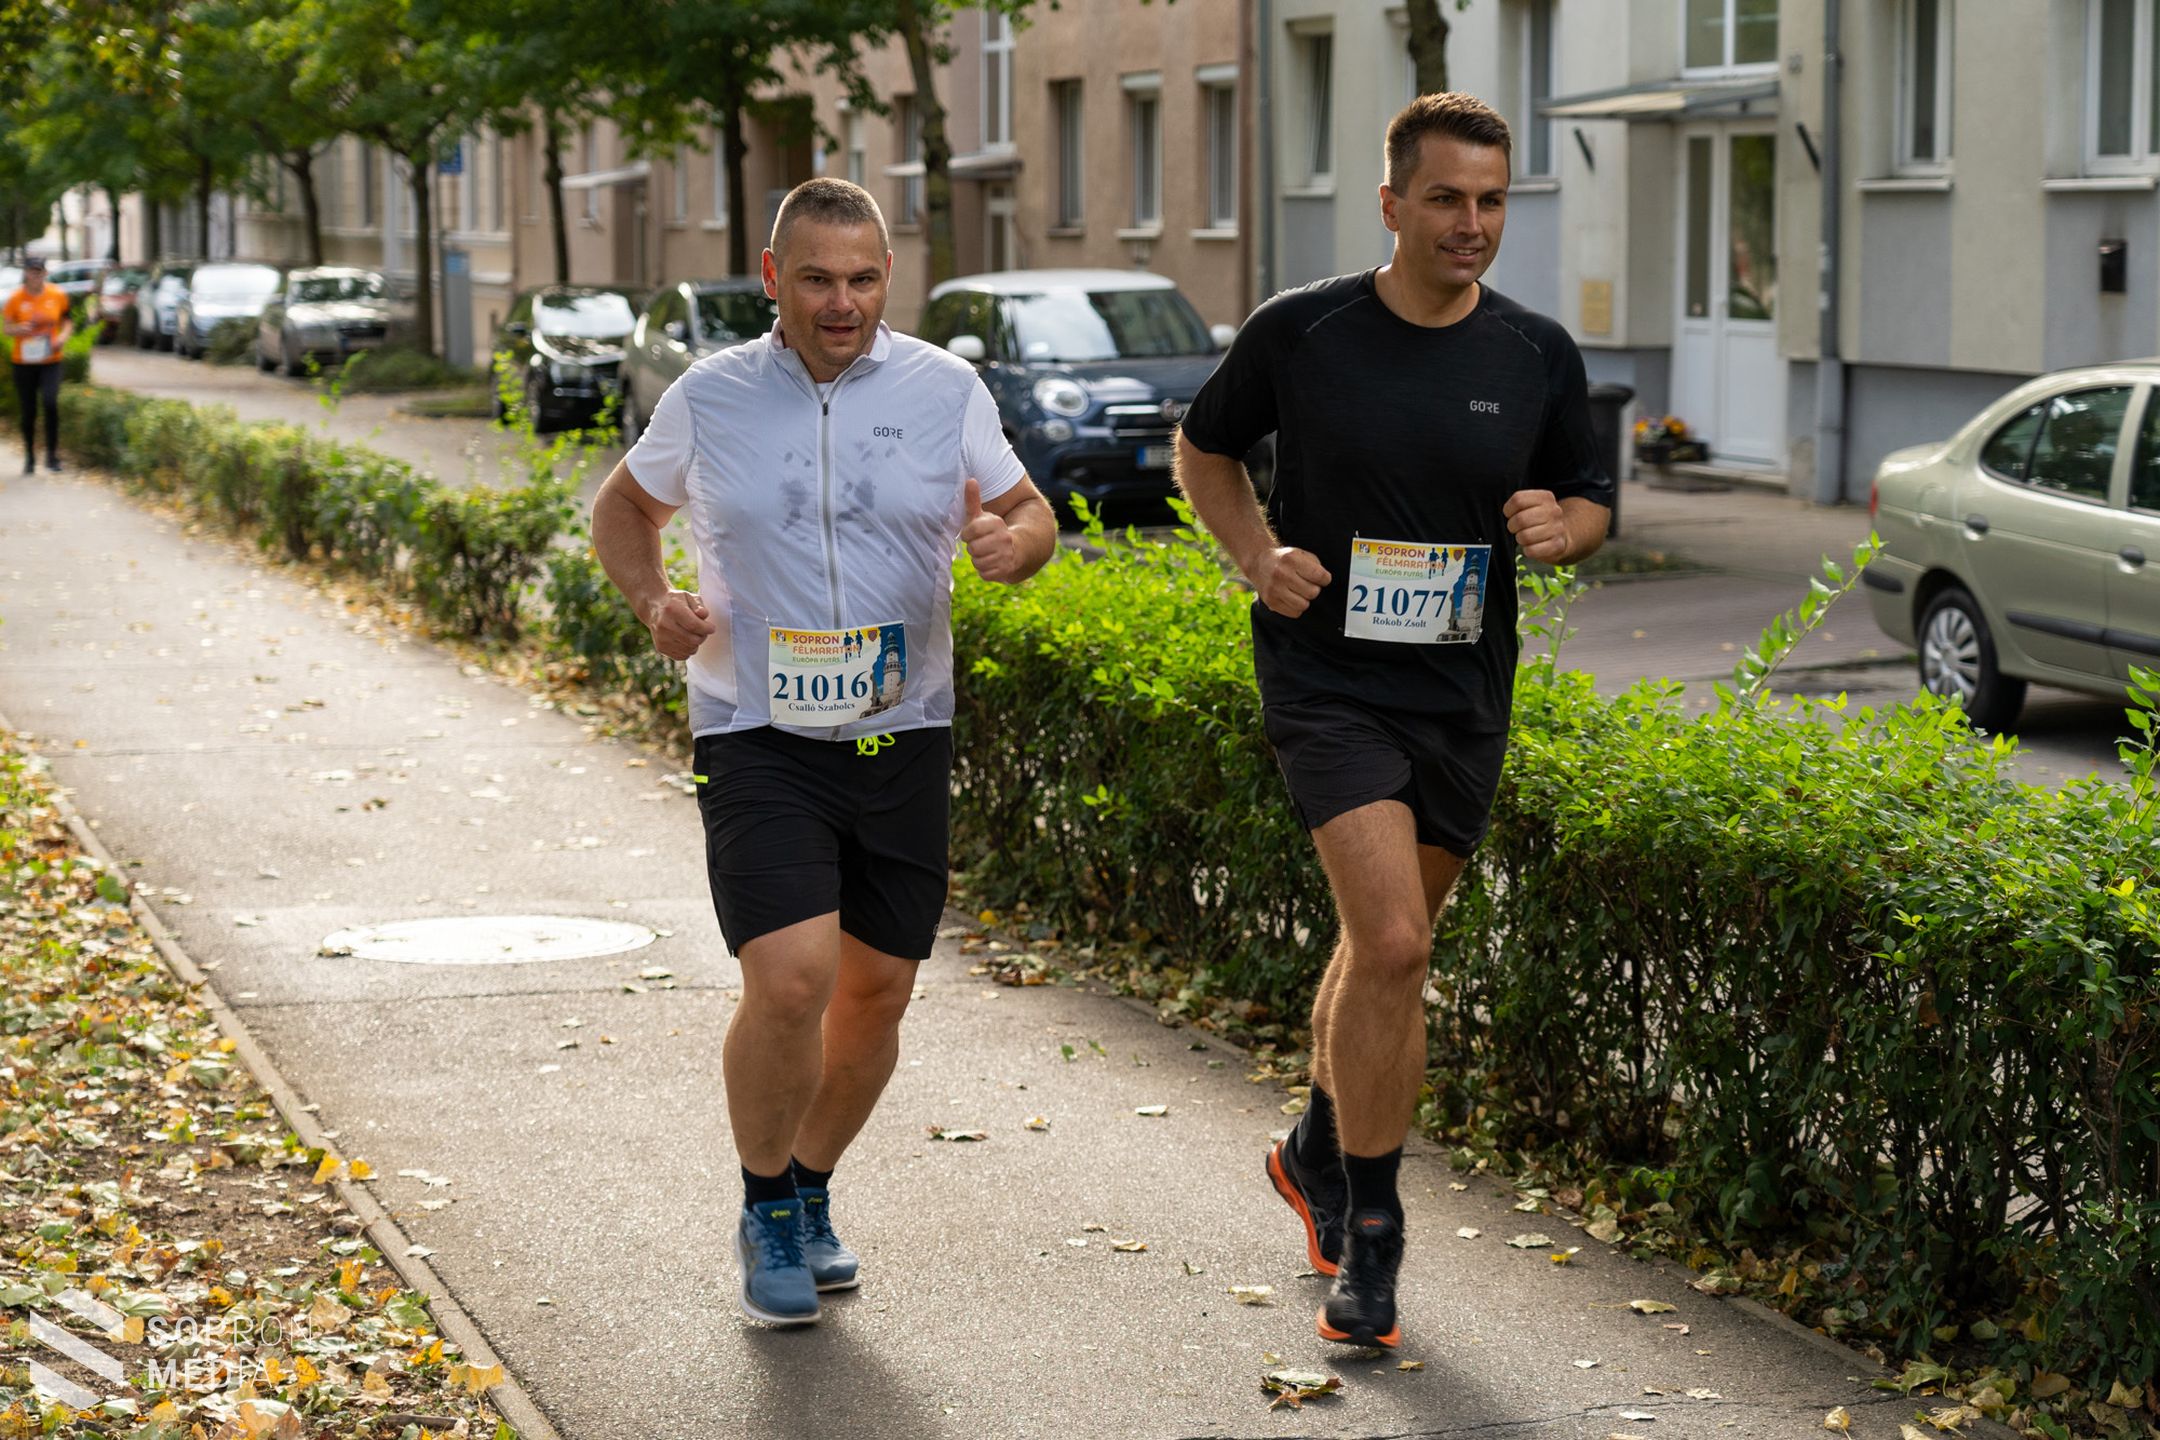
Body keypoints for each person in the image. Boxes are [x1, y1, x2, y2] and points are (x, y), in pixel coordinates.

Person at [1174, 93, 1613, 1351]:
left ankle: (1315, 1146)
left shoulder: (1534, 354)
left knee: (1384, 954)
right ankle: (1372, 1243)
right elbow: (1203, 451)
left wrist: (1561, 532)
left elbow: (1588, 501)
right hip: (1329, 686)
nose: (1472, 224)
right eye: (1446, 199)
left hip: (1462, 694)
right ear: (1391, 203)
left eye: (1492, 201)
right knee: (1399, 945)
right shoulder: (1303, 332)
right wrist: (1256, 556)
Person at [589, 178, 1056, 1329]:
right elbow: (622, 510)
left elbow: (1029, 510)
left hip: (905, 726)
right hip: (758, 727)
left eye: (861, 279)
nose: (840, 303)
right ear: (771, 278)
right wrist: (655, 602)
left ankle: (808, 1184)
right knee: (791, 976)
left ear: (887, 280)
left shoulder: (947, 389)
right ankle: (764, 1207)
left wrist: (1015, 544)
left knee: (877, 990)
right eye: (816, 279)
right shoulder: (713, 395)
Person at [5, 257, 73, 475]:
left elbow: (67, 320)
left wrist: (62, 337)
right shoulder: (16, 299)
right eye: (32, 272)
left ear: (45, 273)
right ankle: (29, 457)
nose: (36, 276)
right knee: (28, 411)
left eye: (40, 272)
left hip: (50, 360)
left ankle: (52, 456)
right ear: (26, 273)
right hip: (24, 362)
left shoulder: (57, 295)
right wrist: (19, 329)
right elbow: (6, 327)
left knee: (50, 402)